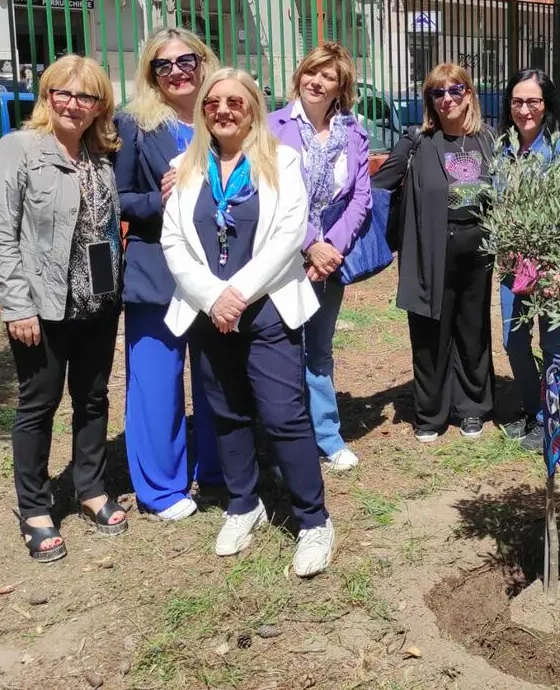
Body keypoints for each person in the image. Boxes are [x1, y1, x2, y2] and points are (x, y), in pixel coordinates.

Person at [161, 68, 334, 576]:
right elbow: (173, 243)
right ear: (203, 112)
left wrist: (236, 295)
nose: (223, 109)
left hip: (267, 309)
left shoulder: (284, 161)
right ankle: (243, 504)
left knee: (283, 416)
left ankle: (314, 520)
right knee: (228, 413)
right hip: (207, 312)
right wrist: (214, 297)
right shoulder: (184, 167)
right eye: (213, 102)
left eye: (235, 101)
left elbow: (288, 236)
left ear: (253, 108)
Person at [0, 55, 128, 562]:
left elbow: (105, 229)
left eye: (85, 96)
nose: (73, 103)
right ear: (47, 96)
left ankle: (89, 488)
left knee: (92, 398)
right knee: (38, 403)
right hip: (43, 303)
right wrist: (16, 305)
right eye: (62, 93)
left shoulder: (100, 154)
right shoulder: (18, 149)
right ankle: (35, 507)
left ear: (98, 106)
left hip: (99, 300)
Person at [115, 27, 222, 521]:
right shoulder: (136, 124)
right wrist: (159, 198)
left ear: (203, 62)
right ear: (151, 74)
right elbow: (116, 199)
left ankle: (217, 468)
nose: (177, 72)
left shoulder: (222, 115)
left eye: (186, 61)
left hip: (217, 272)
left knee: (215, 374)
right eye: (164, 65)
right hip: (157, 271)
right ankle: (160, 488)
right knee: (156, 380)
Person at [373, 63, 497, 443]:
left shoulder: (488, 141)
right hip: (429, 248)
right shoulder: (417, 141)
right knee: (430, 331)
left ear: (469, 94)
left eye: (454, 91)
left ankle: (472, 408)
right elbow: (378, 185)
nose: (446, 100)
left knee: (473, 329)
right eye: (437, 93)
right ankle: (430, 413)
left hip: (478, 248)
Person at [269, 42, 372, 473]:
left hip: (329, 259)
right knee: (280, 351)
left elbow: (361, 198)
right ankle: (283, 439)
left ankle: (327, 435)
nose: (317, 81)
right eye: (312, 72)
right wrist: (310, 242)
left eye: (328, 77)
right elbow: (270, 191)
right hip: (280, 252)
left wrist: (330, 248)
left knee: (319, 349)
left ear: (340, 87)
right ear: (300, 75)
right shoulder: (271, 127)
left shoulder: (355, 133)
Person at [496, 68, 560, 453]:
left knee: (553, 345)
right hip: (512, 267)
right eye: (517, 101)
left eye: (532, 101)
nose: (524, 109)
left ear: (546, 104)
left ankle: (551, 421)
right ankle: (533, 408)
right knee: (513, 340)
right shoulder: (504, 147)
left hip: (553, 266)